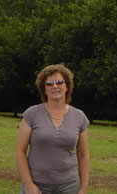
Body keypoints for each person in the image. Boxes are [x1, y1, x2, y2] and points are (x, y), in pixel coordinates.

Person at [16, 64, 90, 194]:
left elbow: (83, 155)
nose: (55, 86)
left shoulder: (80, 117)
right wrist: (28, 185)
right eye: (49, 84)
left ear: (67, 86)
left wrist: (83, 188)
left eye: (59, 82)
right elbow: (20, 152)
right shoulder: (31, 114)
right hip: (37, 187)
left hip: (69, 187)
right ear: (44, 90)